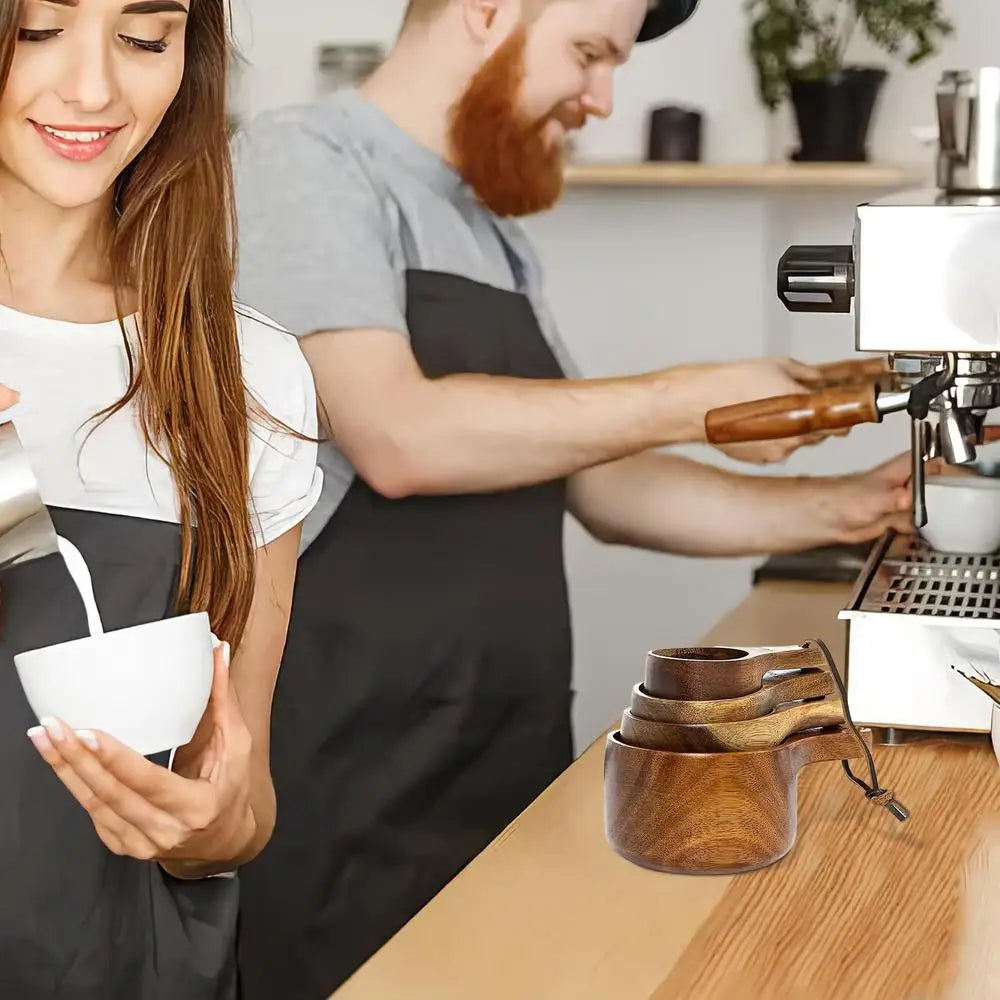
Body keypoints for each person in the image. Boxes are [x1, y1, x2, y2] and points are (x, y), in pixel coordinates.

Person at [230, 0, 921, 995]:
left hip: (497, 747)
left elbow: (596, 479)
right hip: (347, 761)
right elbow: (395, 435)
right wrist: (686, 398)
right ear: (485, 10)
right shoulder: (300, 163)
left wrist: (847, 503)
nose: (601, 97)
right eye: (589, 53)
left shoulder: (484, 225)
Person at [0, 0, 321, 996]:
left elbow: (241, 799)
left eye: (145, 38)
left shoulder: (249, 373)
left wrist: (207, 822)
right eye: (39, 28)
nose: (95, 89)